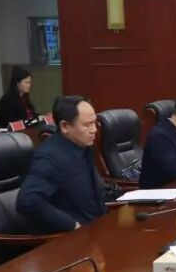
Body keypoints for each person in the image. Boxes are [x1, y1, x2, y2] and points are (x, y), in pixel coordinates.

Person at [15, 95, 108, 233]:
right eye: (87, 125)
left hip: (96, 228)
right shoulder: (49, 157)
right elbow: (28, 201)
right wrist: (72, 225)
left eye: (94, 123)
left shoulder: (82, 147)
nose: (94, 129)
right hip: (70, 238)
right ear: (65, 126)